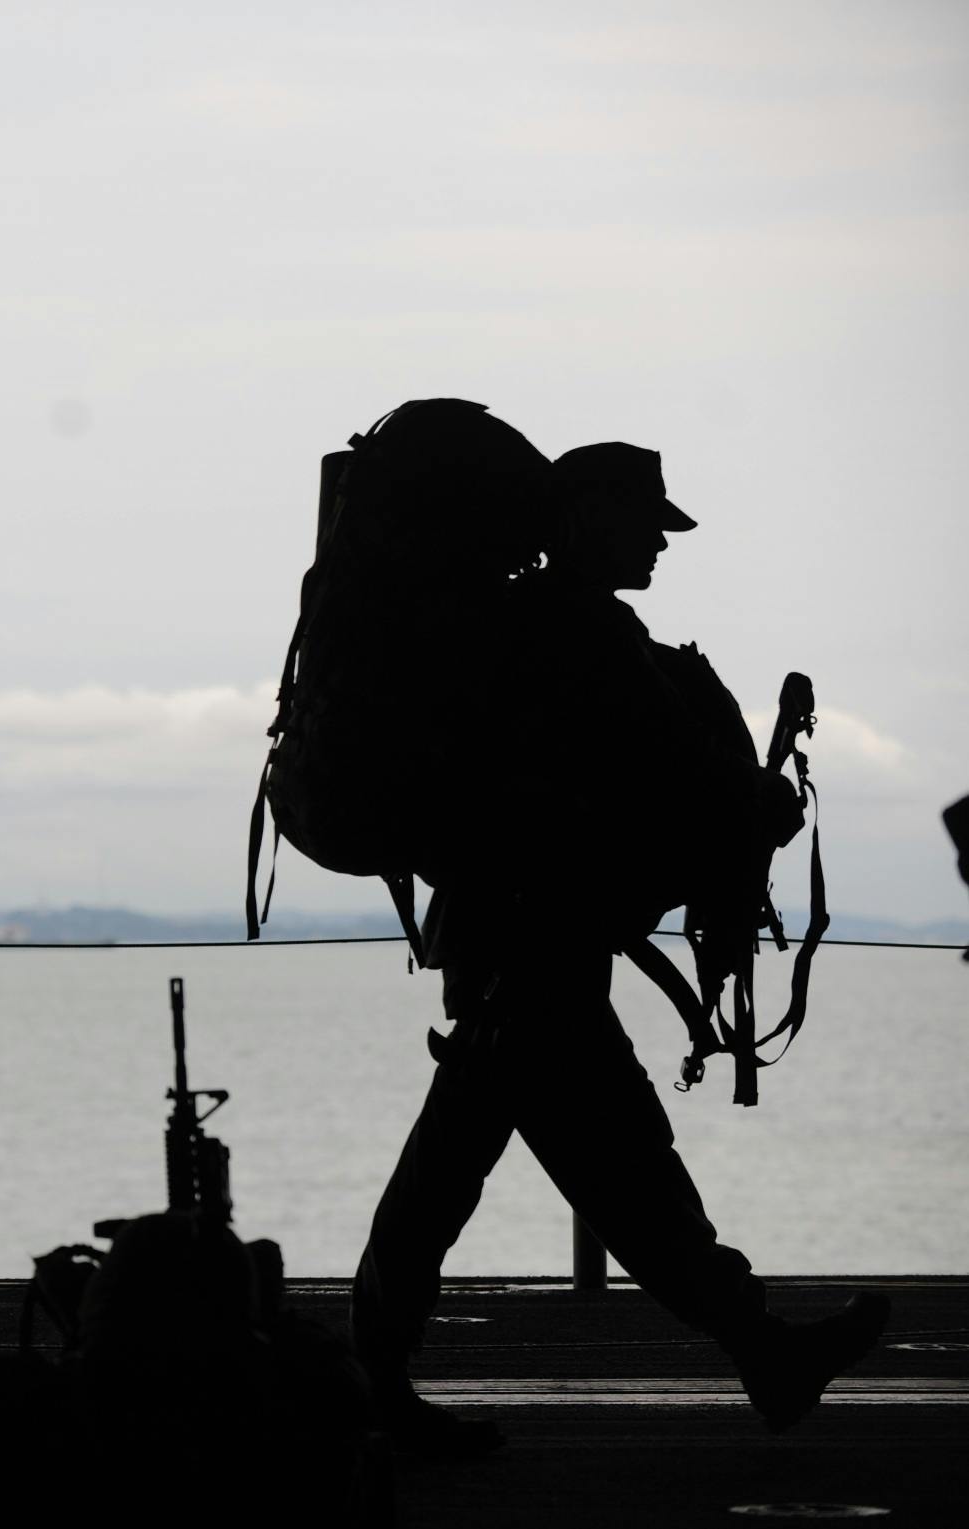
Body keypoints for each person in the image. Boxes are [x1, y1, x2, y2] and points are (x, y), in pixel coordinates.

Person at [348, 436, 889, 1455]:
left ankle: (371, 1373)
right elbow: (683, 770)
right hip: (533, 949)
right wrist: (770, 799)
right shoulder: (580, 632)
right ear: (587, 519)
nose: (659, 543)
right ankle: (759, 1347)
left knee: (517, 1169)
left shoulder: (528, 626)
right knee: (609, 1173)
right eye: (645, 523)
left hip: (517, 943)